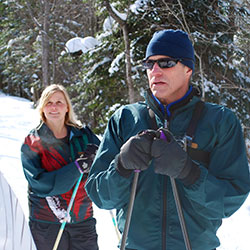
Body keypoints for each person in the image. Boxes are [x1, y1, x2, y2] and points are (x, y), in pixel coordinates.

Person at [85, 29, 250, 250]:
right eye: (149, 64)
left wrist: (190, 173)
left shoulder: (219, 121)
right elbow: (100, 196)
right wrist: (121, 166)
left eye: (166, 62)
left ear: (188, 68)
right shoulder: (125, 119)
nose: (155, 71)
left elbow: (230, 199)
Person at [21, 84, 100, 250]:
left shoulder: (84, 135)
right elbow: (40, 184)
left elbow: (104, 162)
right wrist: (77, 167)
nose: (54, 107)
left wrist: (97, 157)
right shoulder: (33, 141)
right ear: (42, 108)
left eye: (59, 102)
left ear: (67, 107)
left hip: (82, 219)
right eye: (49, 102)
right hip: (47, 224)